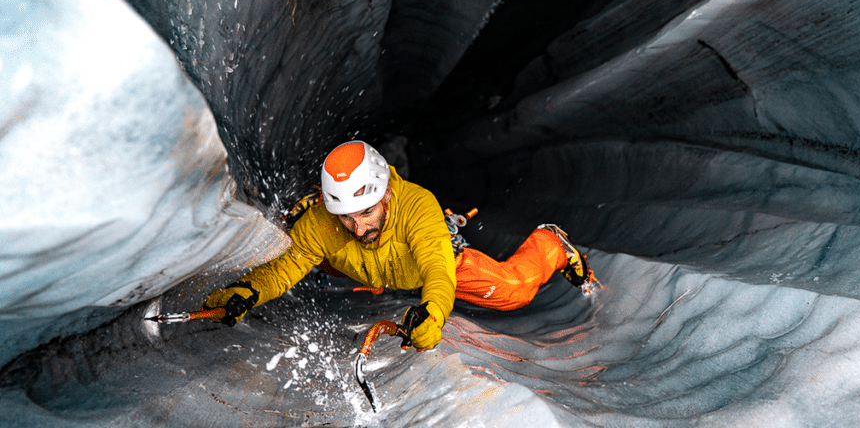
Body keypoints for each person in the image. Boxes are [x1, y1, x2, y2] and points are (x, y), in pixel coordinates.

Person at [203, 140, 596, 350]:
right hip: (361, 265)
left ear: (387, 194)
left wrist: (432, 314)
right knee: (311, 247)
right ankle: (308, 224)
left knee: (516, 291)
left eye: (366, 212)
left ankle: (552, 244)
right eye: (347, 216)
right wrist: (248, 291)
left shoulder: (417, 207)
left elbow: (437, 273)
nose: (357, 227)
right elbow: (285, 268)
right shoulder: (325, 223)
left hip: (430, 260)